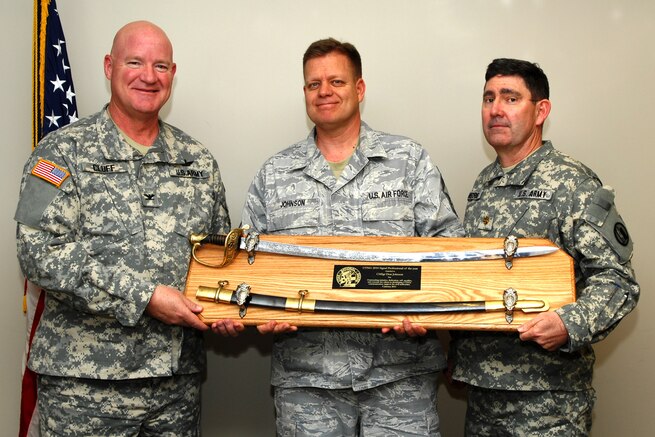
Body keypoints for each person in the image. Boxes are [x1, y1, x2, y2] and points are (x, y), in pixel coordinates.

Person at [213, 38, 463, 436]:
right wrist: (259, 314)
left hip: (400, 377)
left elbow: (450, 251)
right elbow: (250, 266)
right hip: (307, 383)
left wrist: (427, 311)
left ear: (359, 89)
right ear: (305, 93)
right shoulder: (275, 173)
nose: (324, 92)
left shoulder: (408, 161)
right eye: (314, 85)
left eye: (336, 81)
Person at [15, 21, 230, 436]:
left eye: (161, 66)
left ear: (173, 74)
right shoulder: (57, 154)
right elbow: (38, 253)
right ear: (109, 66)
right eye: (135, 62)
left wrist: (234, 306)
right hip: (84, 389)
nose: (149, 76)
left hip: (175, 387)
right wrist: (145, 296)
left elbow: (220, 258)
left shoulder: (197, 160)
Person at [449, 58, 640, 436]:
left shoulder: (572, 182)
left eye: (510, 98)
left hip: (548, 399)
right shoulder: (483, 184)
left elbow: (618, 281)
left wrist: (568, 325)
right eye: (488, 99)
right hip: (483, 393)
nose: (496, 109)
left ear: (541, 111)